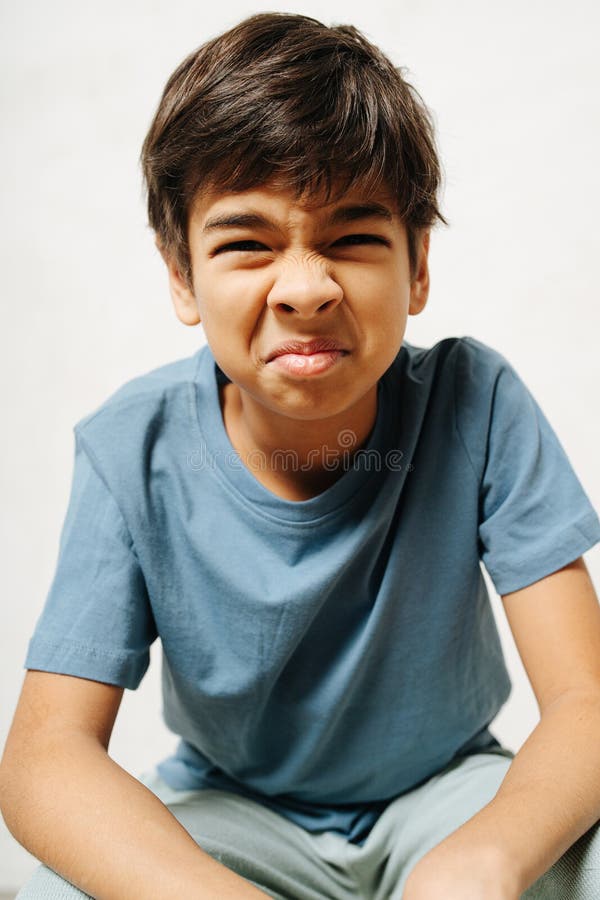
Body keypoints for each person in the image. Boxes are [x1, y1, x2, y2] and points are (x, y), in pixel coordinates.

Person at [1, 12, 600, 900]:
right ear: (181, 275)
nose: (307, 289)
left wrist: (489, 858)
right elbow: (45, 760)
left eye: (354, 238)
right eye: (248, 244)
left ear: (418, 266)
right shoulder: (134, 450)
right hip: (230, 815)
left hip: (453, 799)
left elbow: (587, 706)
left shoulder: (478, 404)